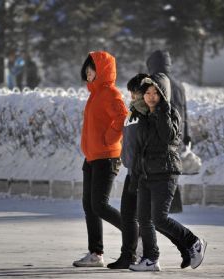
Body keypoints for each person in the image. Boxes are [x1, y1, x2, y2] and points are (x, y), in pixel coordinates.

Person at [107, 74, 191, 270]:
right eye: (133, 93)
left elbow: (149, 142)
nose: (134, 97)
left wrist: (137, 167)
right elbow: (128, 140)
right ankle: (134, 254)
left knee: (150, 219)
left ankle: (179, 247)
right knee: (141, 218)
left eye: (136, 93)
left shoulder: (147, 113)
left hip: (143, 171)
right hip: (134, 170)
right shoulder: (135, 111)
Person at [128, 74, 207, 272]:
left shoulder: (170, 113)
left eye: (156, 92)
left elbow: (167, 137)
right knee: (144, 219)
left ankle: (193, 242)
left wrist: (161, 110)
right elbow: (139, 150)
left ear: (164, 94)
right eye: (147, 93)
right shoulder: (143, 116)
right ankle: (151, 258)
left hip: (165, 172)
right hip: (146, 174)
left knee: (160, 218)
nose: (151, 96)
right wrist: (135, 177)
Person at [72, 51, 128, 268]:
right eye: (86, 69)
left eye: (92, 68)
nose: (88, 73)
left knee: (100, 205)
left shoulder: (110, 93)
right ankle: (96, 253)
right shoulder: (94, 94)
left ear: (103, 70)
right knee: (89, 205)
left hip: (107, 157)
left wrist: (109, 138)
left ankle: (137, 235)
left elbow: (123, 117)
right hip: (92, 157)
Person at [146, 50, 191, 212]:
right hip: (176, 136)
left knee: (158, 172)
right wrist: (187, 136)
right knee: (170, 170)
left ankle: (162, 208)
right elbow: (185, 112)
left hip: (159, 136)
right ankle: (172, 205)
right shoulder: (179, 86)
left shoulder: (154, 84)